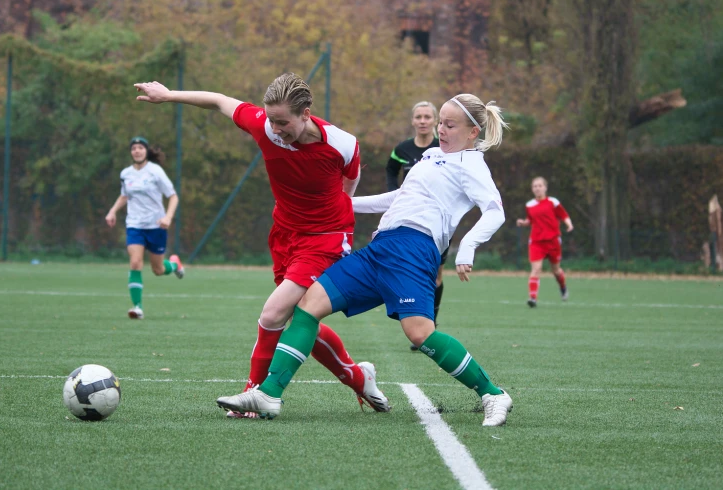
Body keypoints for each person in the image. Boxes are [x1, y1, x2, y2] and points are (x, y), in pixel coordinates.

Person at [217, 92, 514, 427]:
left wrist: (468, 246)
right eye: (440, 123)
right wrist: (339, 203)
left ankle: (493, 394)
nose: (441, 130)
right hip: (380, 248)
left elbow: (494, 210)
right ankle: (269, 393)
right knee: (308, 304)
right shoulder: (432, 156)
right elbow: (399, 197)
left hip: (414, 252)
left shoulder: (472, 164)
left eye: (449, 125)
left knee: (419, 334)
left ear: (473, 132)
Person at [134, 74, 390, 417]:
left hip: (326, 238)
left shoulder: (343, 143)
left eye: (283, 122)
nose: (275, 128)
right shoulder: (264, 126)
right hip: (285, 235)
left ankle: (253, 394)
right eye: (271, 119)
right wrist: (168, 95)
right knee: (299, 319)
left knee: (273, 313)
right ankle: (359, 377)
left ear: (306, 113)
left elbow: (351, 178)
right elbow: (220, 100)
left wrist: (337, 215)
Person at [386, 101, 447, 351]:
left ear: (435, 121)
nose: (423, 121)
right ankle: (422, 325)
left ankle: (431, 323)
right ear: (413, 121)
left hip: (438, 221)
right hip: (410, 219)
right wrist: (395, 194)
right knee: (414, 271)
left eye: (427, 117)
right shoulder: (402, 149)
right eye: (418, 117)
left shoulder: (443, 148)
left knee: (436, 274)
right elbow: (391, 170)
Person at [105, 137, 184, 320]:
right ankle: (137, 308)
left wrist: (168, 217)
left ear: (146, 151)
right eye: (134, 148)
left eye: (140, 148)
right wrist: (112, 211)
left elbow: (173, 196)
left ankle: (174, 264)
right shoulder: (126, 173)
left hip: (156, 226)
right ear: (131, 152)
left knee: (158, 269)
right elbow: (124, 196)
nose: (137, 151)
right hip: (134, 225)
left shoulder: (155, 171)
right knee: (135, 262)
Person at [516, 176, 574, 308]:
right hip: (536, 242)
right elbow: (530, 220)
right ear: (532, 189)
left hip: (553, 241)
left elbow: (563, 215)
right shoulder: (529, 205)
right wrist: (523, 222)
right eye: (535, 186)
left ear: (545, 187)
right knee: (536, 270)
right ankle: (533, 298)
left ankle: (563, 287)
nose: (537, 188)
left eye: (540, 185)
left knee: (556, 270)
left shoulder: (553, 202)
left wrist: (569, 224)